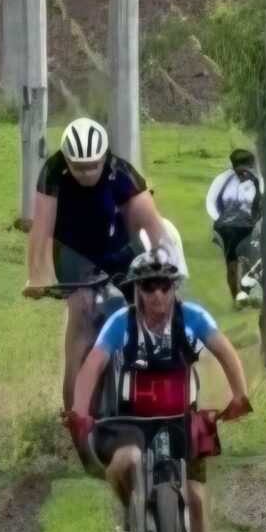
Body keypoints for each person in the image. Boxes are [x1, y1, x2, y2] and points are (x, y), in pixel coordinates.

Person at [67, 250, 255, 532]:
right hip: (131, 424)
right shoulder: (121, 324)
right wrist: (79, 413)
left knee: (198, 498)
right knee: (126, 461)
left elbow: (226, 352)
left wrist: (240, 395)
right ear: (136, 291)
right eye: (148, 287)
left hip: (183, 419)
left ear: (173, 289)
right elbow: (93, 366)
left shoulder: (194, 318)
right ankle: (128, 511)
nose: (156, 295)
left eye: (163, 286)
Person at [24, 116, 171, 415]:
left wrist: (161, 264)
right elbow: (40, 229)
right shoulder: (53, 172)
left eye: (93, 165)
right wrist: (35, 277)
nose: (87, 173)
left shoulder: (122, 174)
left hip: (116, 247)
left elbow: (154, 227)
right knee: (83, 310)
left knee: (152, 305)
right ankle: (72, 409)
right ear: (66, 160)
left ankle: (162, 380)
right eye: (79, 167)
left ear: (105, 157)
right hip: (72, 251)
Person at [204, 148, 264, 306]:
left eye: (248, 169)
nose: (244, 173)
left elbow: (261, 204)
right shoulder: (223, 180)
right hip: (227, 228)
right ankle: (237, 294)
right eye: (241, 170)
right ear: (235, 167)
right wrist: (220, 220)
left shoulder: (256, 181)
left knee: (249, 257)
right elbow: (211, 202)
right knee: (231, 262)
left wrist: (256, 184)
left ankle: (247, 289)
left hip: (249, 227)